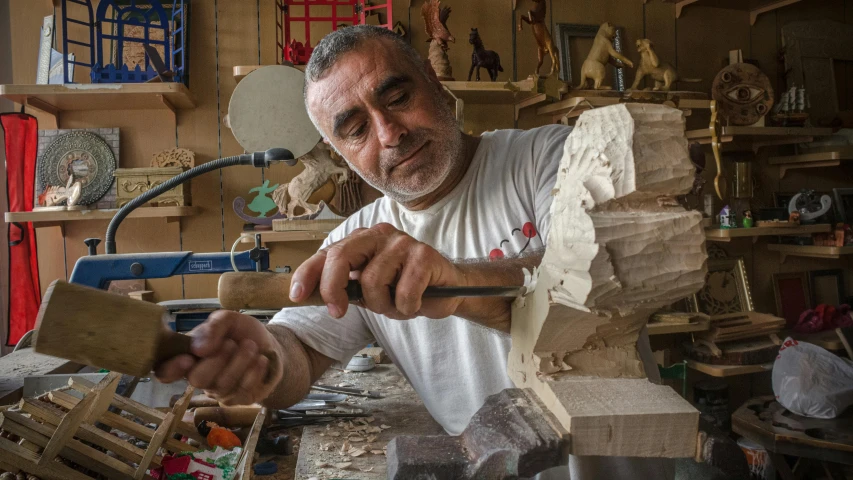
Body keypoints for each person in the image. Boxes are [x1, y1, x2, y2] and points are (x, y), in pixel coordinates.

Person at [156, 25, 671, 479]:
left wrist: (456, 284)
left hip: (622, 467)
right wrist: (263, 361)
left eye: (398, 96)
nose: (389, 133)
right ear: (339, 154)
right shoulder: (354, 240)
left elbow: (595, 289)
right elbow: (300, 352)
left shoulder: (549, 156)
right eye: (356, 129)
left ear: (434, 80)